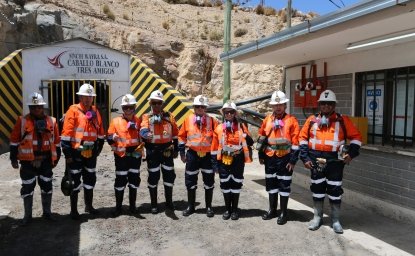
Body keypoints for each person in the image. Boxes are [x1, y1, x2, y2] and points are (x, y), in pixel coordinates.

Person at [299, 89, 362, 234]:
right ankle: (317, 217)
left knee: (335, 190)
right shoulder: (311, 120)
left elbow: (357, 138)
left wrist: (351, 154)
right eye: (323, 103)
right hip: (315, 160)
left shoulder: (343, 120)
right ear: (319, 105)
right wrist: (305, 158)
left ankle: (335, 220)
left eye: (329, 103)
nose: (326, 106)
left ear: (334, 105)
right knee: (317, 188)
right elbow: (302, 139)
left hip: (335, 162)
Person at [9, 92, 61, 225]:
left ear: (43, 107)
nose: (36, 109)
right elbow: (14, 141)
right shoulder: (22, 121)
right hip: (27, 162)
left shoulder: (52, 121)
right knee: (27, 188)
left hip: (46, 161)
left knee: (47, 186)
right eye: (33, 107)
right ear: (29, 108)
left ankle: (47, 213)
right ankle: (27, 216)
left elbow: (56, 142)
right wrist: (13, 159)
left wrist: (57, 158)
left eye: (39, 107)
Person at [61, 83, 105, 220]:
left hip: (91, 151)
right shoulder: (73, 111)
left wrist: (98, 148)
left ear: (93, 98)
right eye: (85, 96)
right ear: (80, 96)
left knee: (90, 178)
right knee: (74, 180)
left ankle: (89, 206)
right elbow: (66, 134)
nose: (87, 99)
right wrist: (68, 154)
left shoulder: (95, 111)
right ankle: (74, 210)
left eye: (90, 97)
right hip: (76, 152)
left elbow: (100, 132)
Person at [257, 90, 299, 225]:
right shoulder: (267, 119)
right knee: (271, 184)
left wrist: (293, 160)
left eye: (280, 104)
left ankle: (284, 212)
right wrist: (261, 154)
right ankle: (272, 210)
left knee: (284, 185)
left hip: (285, 158)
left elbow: (296, 142)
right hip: (270, 157)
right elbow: (261, 137)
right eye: (275, 105)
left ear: (285, 105)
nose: (278, 107)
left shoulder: (292, 121)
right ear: (272, 107)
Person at [211, 101, 253, 220]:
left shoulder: (241, 127)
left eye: (231, 112)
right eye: (226, 112)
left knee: (236, 183)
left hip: (237, 159)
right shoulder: (219, 128)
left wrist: (244, 133)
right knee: (225, 183)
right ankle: (227, 209)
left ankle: (234, 210)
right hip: (223, 159)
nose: (229, 114)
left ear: (235, 113)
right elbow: (214, 148)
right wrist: (214, 165)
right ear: (223, 113)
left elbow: (250, 142)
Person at [178, 95, 218, 217]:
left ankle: (209, 207)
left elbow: (217, 138)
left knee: (209, 181)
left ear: (206, 108)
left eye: (203, 107)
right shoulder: (188, 120)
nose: (200, 109)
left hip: (207, 156)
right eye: (198, 107)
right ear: (194, 108)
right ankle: (191, 206)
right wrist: (181, 153)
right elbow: (181, 136)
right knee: (190, 180)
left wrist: (216, 158)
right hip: (192, 155)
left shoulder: (212, 121)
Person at [140, 90, 179, 214]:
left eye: (159, 103)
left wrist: (176, 149)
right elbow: (142, 129)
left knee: (169, 176)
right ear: (150, 103)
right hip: (153, 151)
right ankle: (154, 204)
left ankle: (169, 202)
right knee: (153, 177)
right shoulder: (146, 117)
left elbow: (175, 134)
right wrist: (145, 133)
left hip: (167, 151)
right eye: (154, 103)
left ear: (162, 104)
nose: (156, 105)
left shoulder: (169, 116)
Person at [107, 94, 143, 216]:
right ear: (122, 109)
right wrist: (113, 137)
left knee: (134, 180)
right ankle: (118, 208)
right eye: (125, 108)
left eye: (130, 107)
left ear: (134, 107)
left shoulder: (139, 121)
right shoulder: (115, 121)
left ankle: (132, 207)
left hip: (135, 156)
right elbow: (109, 138)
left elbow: (145, 137)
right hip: (121, 156)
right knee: (120, 181)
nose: (128, 110)